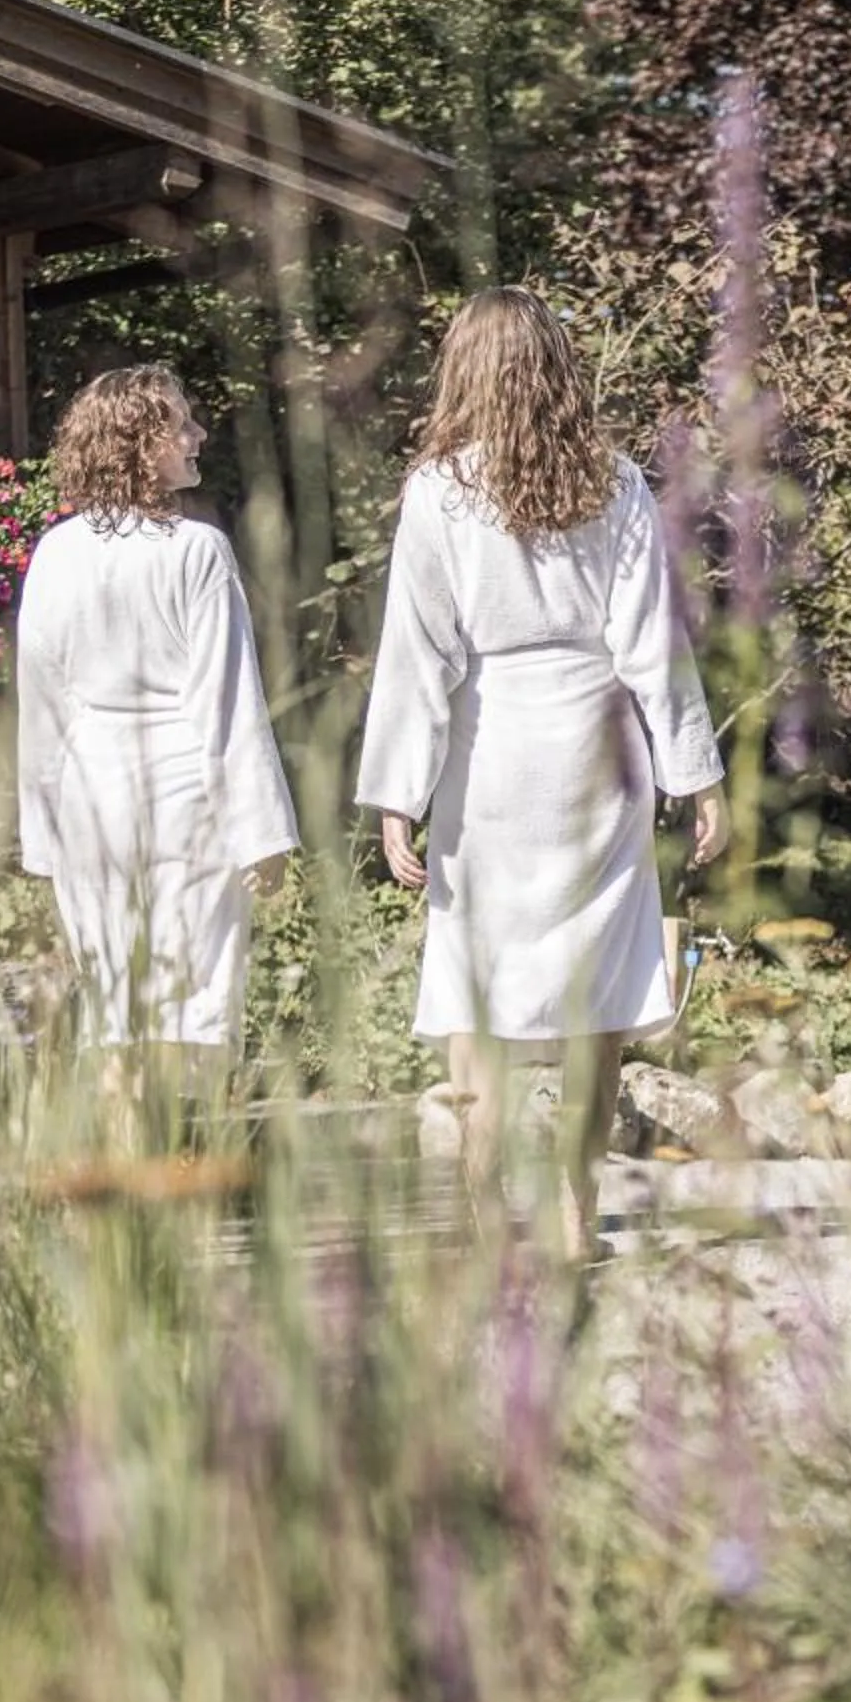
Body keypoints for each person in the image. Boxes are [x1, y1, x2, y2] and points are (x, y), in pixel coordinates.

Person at [357, 287, 728, 1259]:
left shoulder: (437, 492)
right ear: (559, 370)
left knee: (480, 997)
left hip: (490, 767)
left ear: (465, 373)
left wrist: (400, 791)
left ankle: (486, 1219)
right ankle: (572, 1207)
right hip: (597, 759)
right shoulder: (615, 482)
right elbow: (655, 642)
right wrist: (696, 771)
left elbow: (418, 652)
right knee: (595, 1000)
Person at [16, 364, 297, 1125]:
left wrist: (41, 842)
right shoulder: (195, 550)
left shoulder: (56, 553)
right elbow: (227, 699)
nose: (198, 435)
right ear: (139, 444)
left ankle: (122, 1192)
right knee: (189, 1006)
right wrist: (263, 834)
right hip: (183, 800)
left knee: (117, 1010)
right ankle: (166, 1175)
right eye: (182, 423)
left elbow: (41, 705)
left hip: (90, 802)